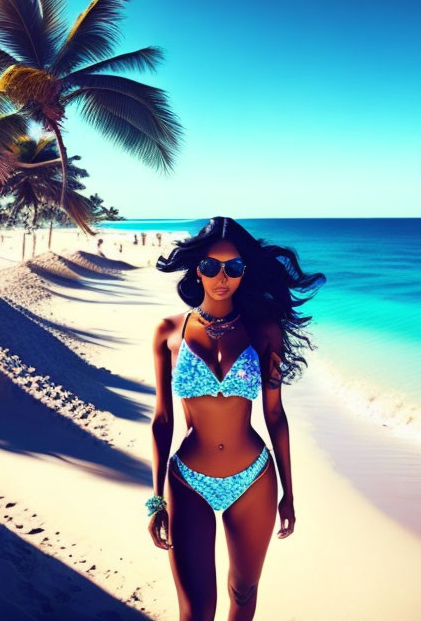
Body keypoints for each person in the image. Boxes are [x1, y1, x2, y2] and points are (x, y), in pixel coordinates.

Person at [149, 217, 326, 621]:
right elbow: (163, 421)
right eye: (211, 266)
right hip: (187, 481)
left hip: (254, 480)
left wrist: (289, 493)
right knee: (196, 612)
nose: (221, 277)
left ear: (246, 271)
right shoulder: (168, 332)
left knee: (243, 596)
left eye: (233, 267)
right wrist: (155, 498)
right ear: (197, 269)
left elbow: (275, 415)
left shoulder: (264, 331)